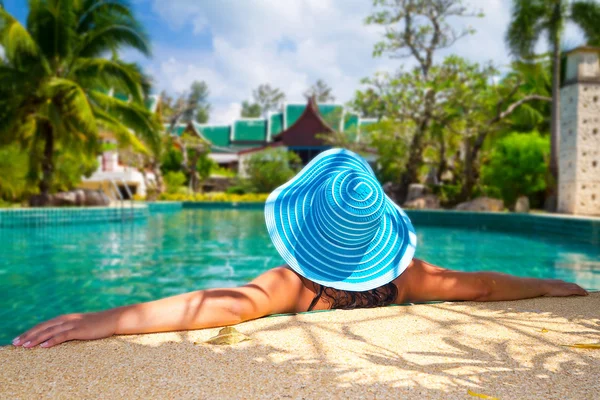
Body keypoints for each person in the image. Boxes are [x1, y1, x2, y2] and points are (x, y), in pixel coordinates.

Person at [12, 149, 587, 349]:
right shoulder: (408, 279)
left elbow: (228, 303)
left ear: (307, 224)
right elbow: (481, 285)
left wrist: (106, 319)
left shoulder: (298, 286)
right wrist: (548, 286)